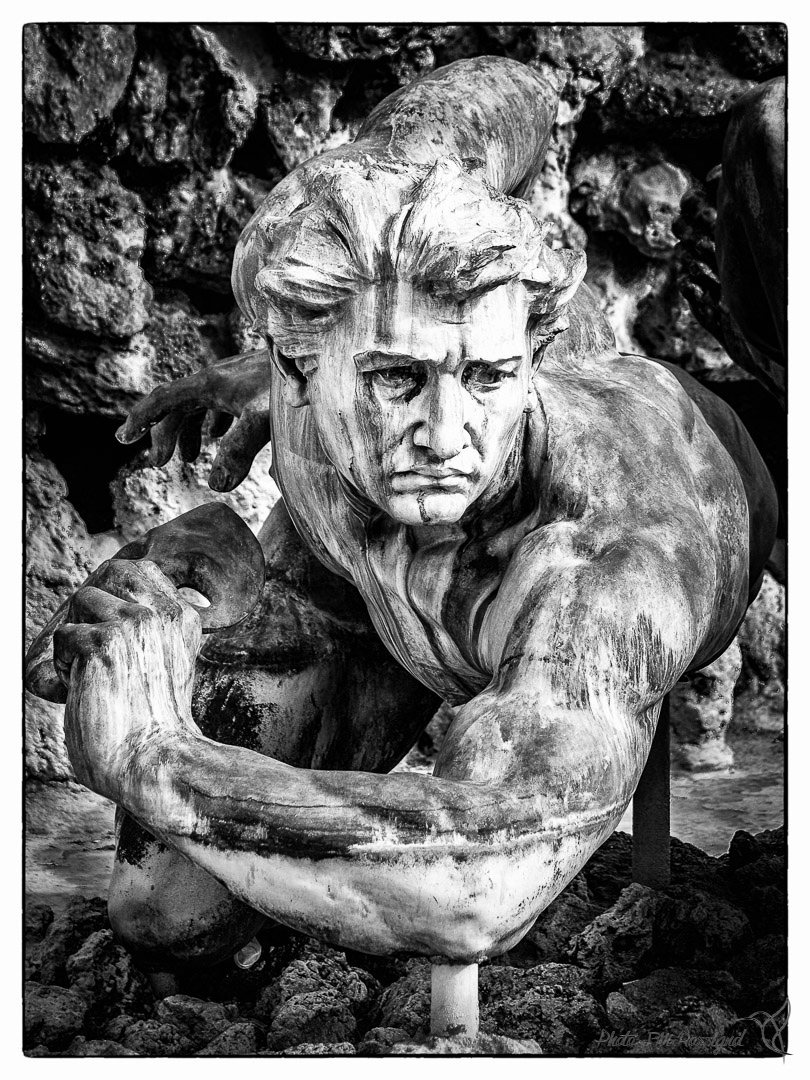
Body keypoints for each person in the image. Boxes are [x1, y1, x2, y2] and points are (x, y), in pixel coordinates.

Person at [45, 57, 778, 971]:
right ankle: (250, 567)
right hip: (375, 559)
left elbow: (477, 896)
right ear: (303, 362)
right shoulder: (330, 338)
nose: (444, 435)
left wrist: (151, 746)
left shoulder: (605, 574)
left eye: (487, 378)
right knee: (165, 910)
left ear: (528, 360)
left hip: (666, 475)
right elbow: (508, 89)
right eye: (396, 378)